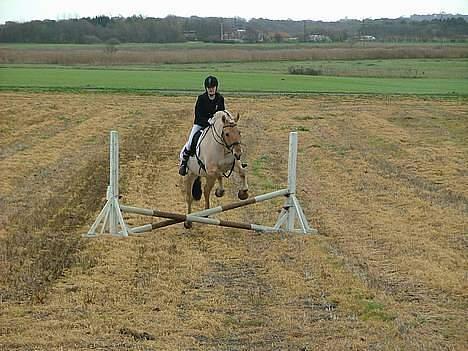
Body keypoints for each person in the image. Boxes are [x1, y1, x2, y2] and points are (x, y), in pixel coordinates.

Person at [179, 75, 225, 176]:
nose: (211, 89)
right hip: (200, 124)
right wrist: (208, 121)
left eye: (213, 87)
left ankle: (230, 159)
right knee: (191, 141)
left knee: (225, 138)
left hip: (214, 126)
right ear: (206, 88)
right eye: (209, 88)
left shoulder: (220, 98)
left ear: (216, 87)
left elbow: (222, 113)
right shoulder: (201, 99)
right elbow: (198, 115)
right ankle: (183, 162)